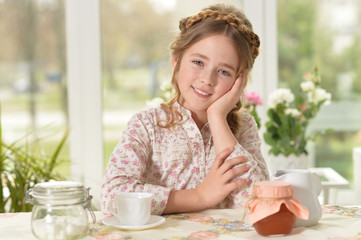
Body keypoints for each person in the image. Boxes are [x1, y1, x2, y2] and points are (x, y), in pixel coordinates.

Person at [101, 4, 269, 216]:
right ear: (176, 61)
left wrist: (217, 118)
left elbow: (260, 201)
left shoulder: (243, 128)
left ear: (239, 80)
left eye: (224, 71)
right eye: (198, 62)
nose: (207, 79)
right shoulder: (145, 126)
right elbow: (113, 196)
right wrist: (199, 196)